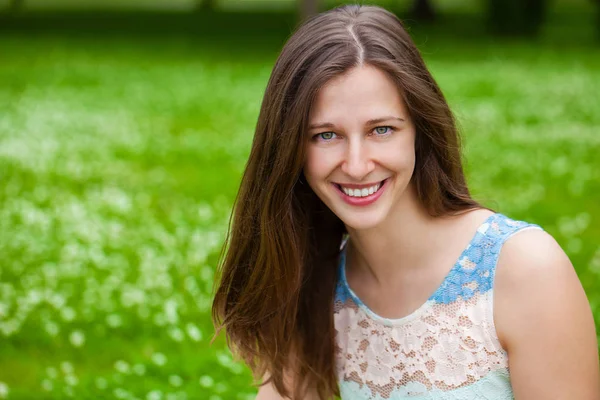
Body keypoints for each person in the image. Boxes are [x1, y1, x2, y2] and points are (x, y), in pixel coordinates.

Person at [212, 4, 600, 399]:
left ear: (420, 128)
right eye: (326, 135)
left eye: (381, 129)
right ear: (289, 149)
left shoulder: (525, 270)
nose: (358, 165)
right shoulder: (313, 281)